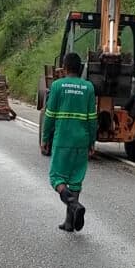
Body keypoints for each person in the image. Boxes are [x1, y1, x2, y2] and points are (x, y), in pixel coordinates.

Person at [40, 52, 98, 232]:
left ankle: (73, 204)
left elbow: (49, 116)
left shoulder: (57, 86)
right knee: (75, 181)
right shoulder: (88, 88)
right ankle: (69, 222)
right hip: (81, 139)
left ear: (64, 68)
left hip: (63, 138)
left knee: (56, 178)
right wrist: (91, 142)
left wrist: (45, 138)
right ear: (80, 69)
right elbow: (92, 119)